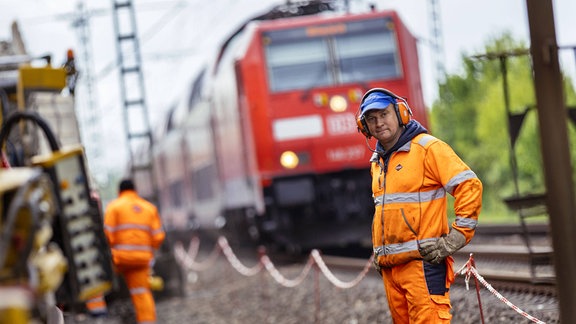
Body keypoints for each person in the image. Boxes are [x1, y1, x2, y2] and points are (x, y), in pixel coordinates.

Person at [356, 88, 483, 323]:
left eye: (384, 115)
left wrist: (458, 236)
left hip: (422, 266)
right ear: (365, 127)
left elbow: (469, 185)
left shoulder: (427, 149)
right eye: (371, 119)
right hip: (391, 270)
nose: (378, 123)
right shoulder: (378, 162)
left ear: (401, 113)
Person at [103, 179, 165, 324]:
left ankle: (101, 315)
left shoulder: (114, 207)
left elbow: (107, 235)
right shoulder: (149, 208)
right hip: (141, 260)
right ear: (135, 190)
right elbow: (158, 237)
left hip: (119, 260)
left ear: (119, 191)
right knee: (142, 294)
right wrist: (147, 248)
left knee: (101, 286)